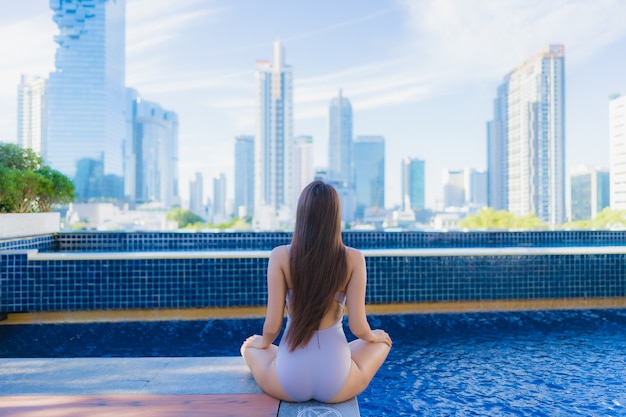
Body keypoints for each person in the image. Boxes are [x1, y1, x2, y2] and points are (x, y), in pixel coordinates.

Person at [241, 180, 392, 403]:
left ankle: (260, 352)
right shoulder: (354, 259)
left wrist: (262, 343)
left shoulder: (280, 256)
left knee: (249, 347)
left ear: (301, 215)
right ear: (335, 217)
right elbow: (359, 328)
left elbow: (272, 328)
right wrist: (374, 335)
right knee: (381, 342)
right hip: (337, 381)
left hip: (289, 380)